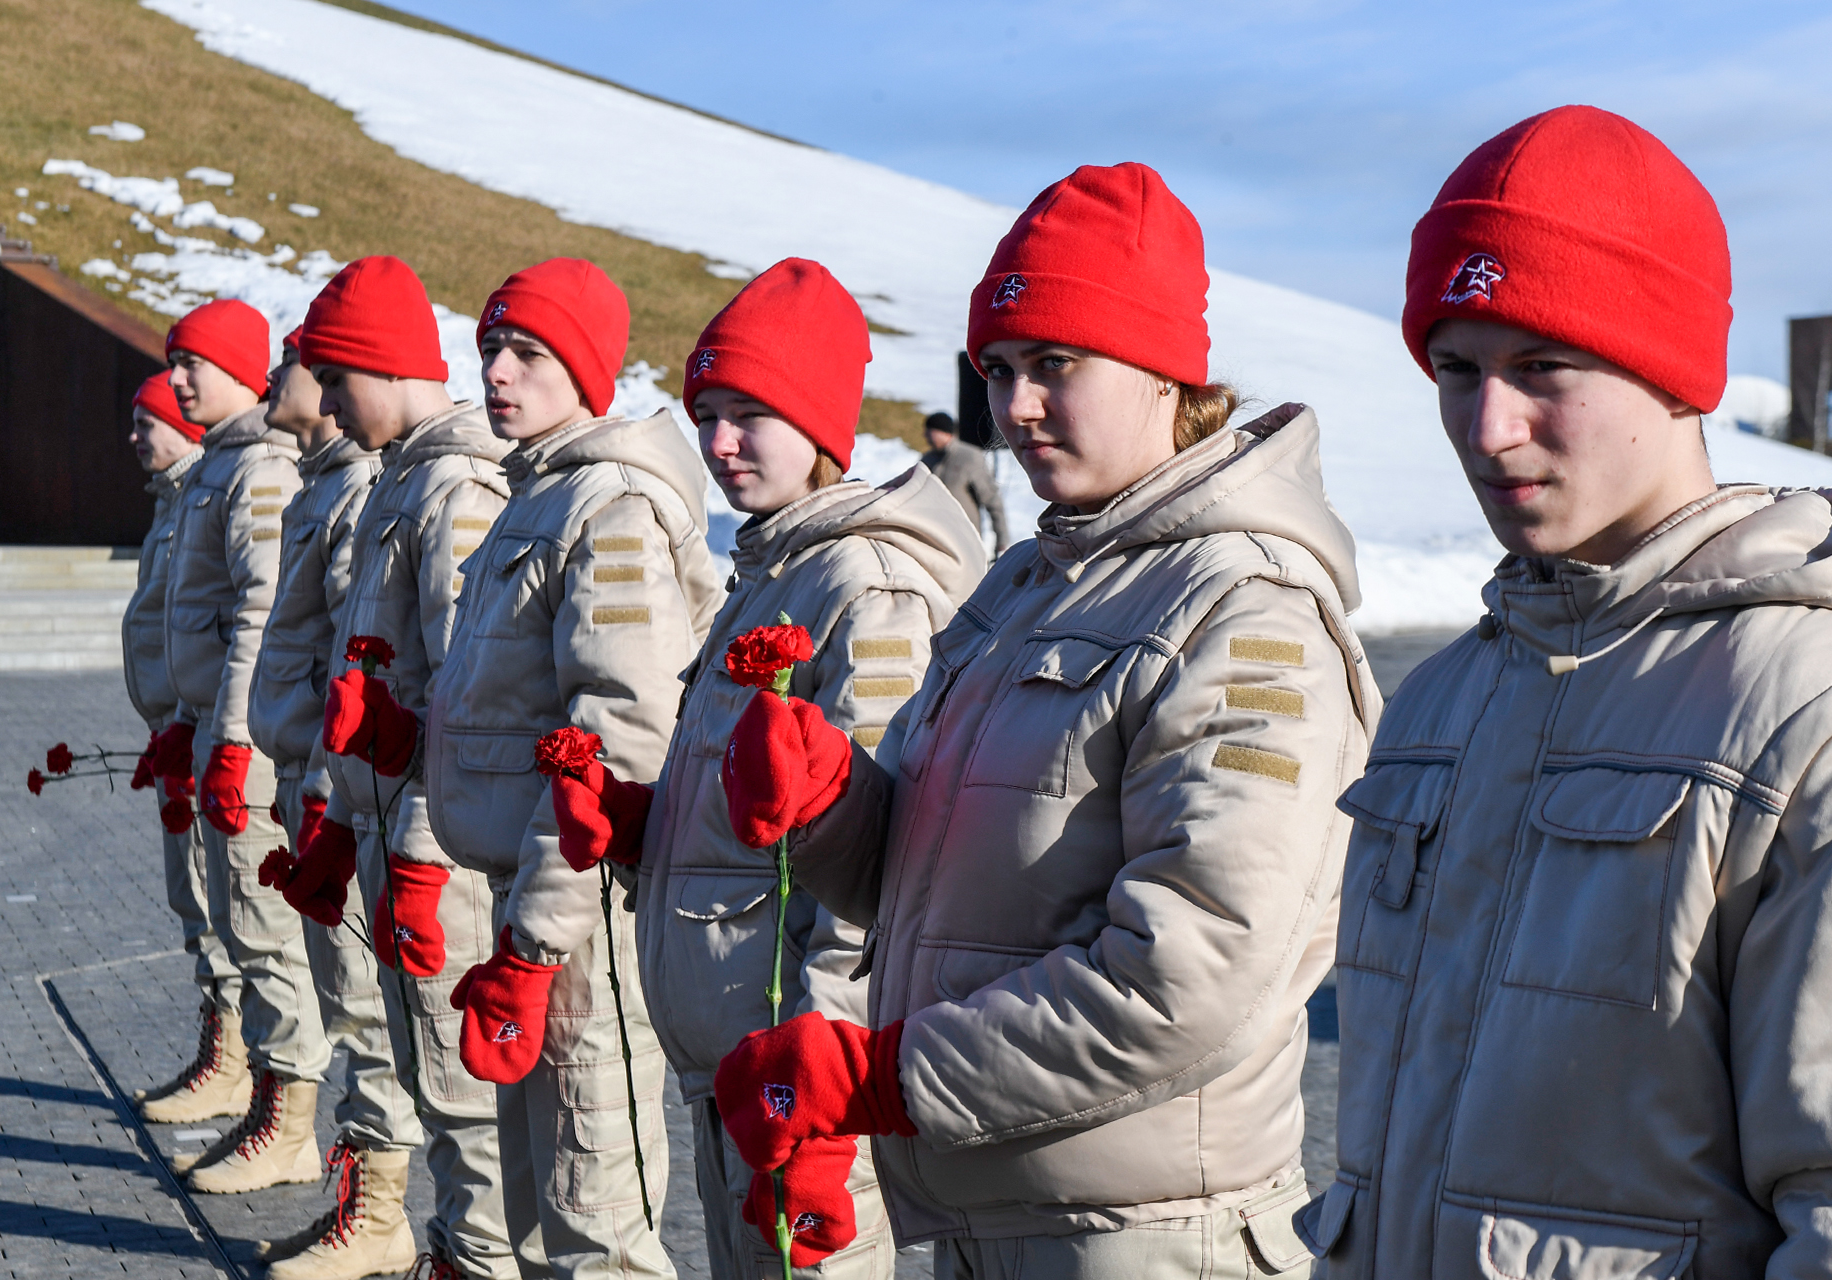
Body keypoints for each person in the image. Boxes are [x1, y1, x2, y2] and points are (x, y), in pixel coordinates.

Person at [1295, 105, 1832, 1277]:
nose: (1486, 426)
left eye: (1540, 367)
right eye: (1454, 370)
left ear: (1670, 376)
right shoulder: (1440, 704)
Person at [711, 163, 1380, 1278]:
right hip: (993, 1202)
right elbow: (927, 881)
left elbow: (1192, 969)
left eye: (1055, 366)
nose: (1014, 408)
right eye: (1001, 369)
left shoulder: (1246, 606)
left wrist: (883, 1077)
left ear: (1167, 373)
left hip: (1146, 1233)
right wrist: (829, 800)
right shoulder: (1028, 583)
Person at [558, 257, 985, 1279]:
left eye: (752, 413)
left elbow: (871, 868)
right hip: (733, 1070)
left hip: (796, 1081)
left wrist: (822, 1088)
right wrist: (640, 821)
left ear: (821, 424)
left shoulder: (865, 583)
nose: (718, 442)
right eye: (707, 413)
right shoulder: (771, 569)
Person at [423, 258, 721, 1280]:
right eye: (490, 350)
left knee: (595, 1212)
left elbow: (622, 729)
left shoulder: (608, 504)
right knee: (544, 1191)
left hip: (578, 914)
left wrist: (541, 937)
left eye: (528, 354)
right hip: (526, 900)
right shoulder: (534, 490)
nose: (497, 373)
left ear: (585, 372)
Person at [279, 255, 517, 1280]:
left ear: (384, 364)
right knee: (423, 1071)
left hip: (434, 855)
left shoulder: (454, 486)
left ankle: (477, 1256)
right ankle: (447, 1248)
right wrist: (343, 811)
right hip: (386, 830)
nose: (325, 404)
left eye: (337, 379)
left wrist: (417, 845)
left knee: (464, 1095)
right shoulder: (404, 476)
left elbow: (466, 701)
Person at [247, 326, 422, 1279]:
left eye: (300, 363)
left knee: (364, 1009)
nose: (277, 378)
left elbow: (362, 663)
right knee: (340, 995)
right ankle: (358, 1189)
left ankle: (381, 1211)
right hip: (313, 775)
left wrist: (329, 789)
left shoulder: (357, 486)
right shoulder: (325, 482)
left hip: (340, 784)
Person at [154, 299, 329, 1195]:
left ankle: (289, 1121)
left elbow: (259, 618)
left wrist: (226, 740)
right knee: (236, 927)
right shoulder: (221, 465)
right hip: (219, 734)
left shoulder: (259, 468)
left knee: (266, 936)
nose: (178, 378)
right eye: (173, 362)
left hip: (251, 751)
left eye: (194, 362)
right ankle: (265, 1099)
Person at [124, 372, 249, 1126]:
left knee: (219, 899)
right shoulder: (176, 502)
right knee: (192, 897)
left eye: (147, 423)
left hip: (207, 732)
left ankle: (239, 1063)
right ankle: (223, 1046)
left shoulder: (211, 496)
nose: (135, 438)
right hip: (178, 731)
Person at [920, 411, 1009, 556]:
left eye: (929, 431)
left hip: (965, 540)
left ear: (942, 432)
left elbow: (992, 500)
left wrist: (1002, 541)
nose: (925, 436)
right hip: (933, 539)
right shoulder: (927, 460)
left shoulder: (969, 457)